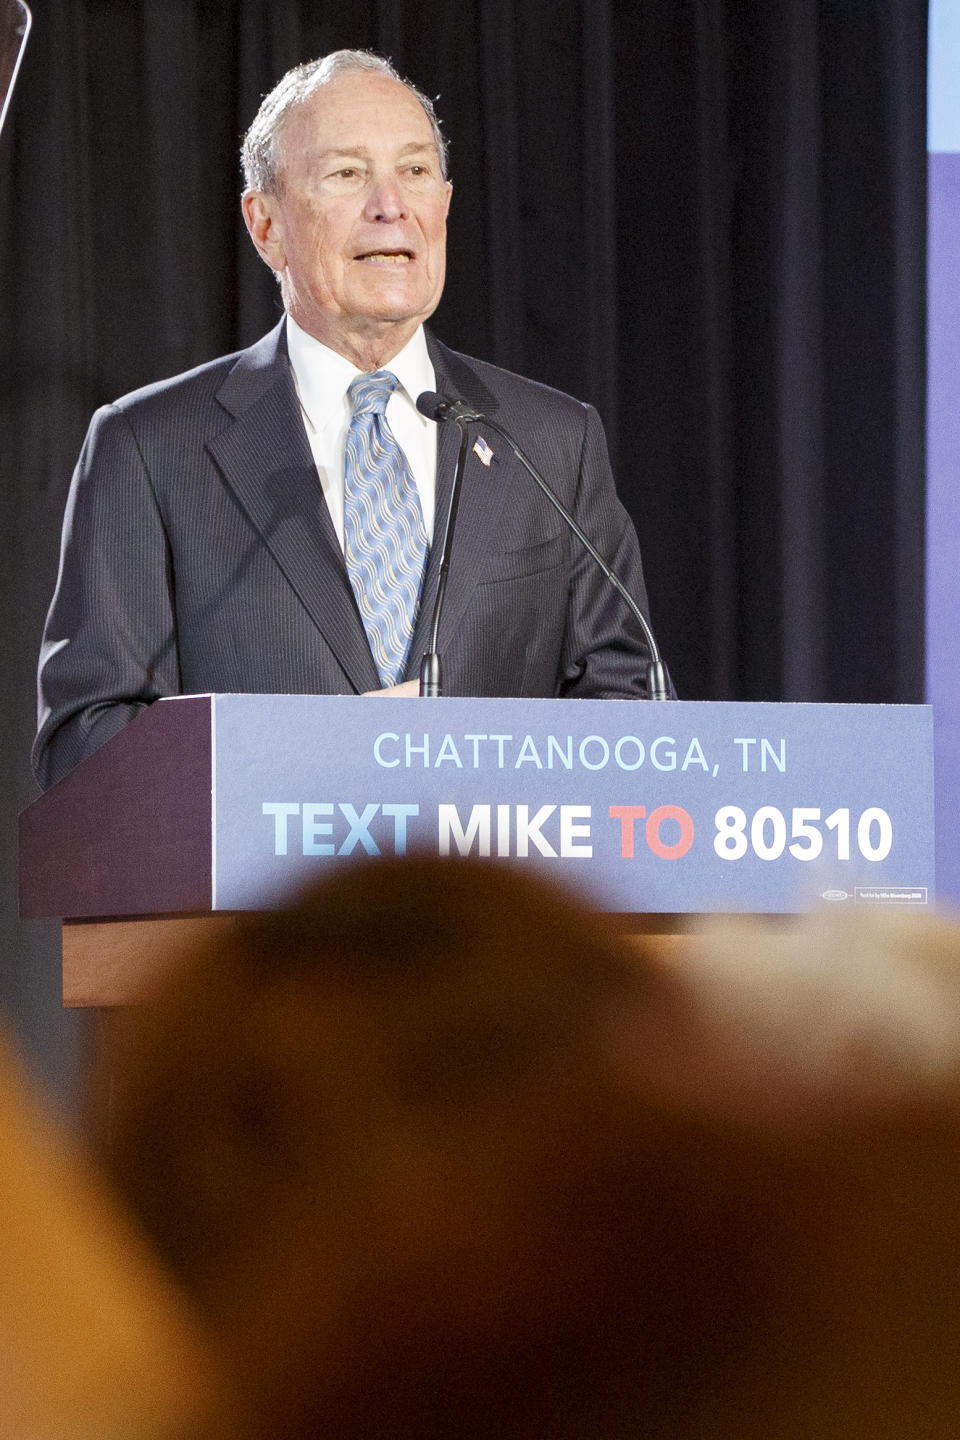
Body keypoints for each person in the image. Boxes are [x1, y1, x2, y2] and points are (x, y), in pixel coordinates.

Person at [32, 48, 660, 792]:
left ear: (446, 203)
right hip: (261, 908)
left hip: (498, 901)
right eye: (347, 174)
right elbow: (85, 747)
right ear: (265, 224)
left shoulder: (553, 444)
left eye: (416, 171)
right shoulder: (149, 448)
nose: (390, 205)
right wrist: (320, 757)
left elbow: (634, 714)